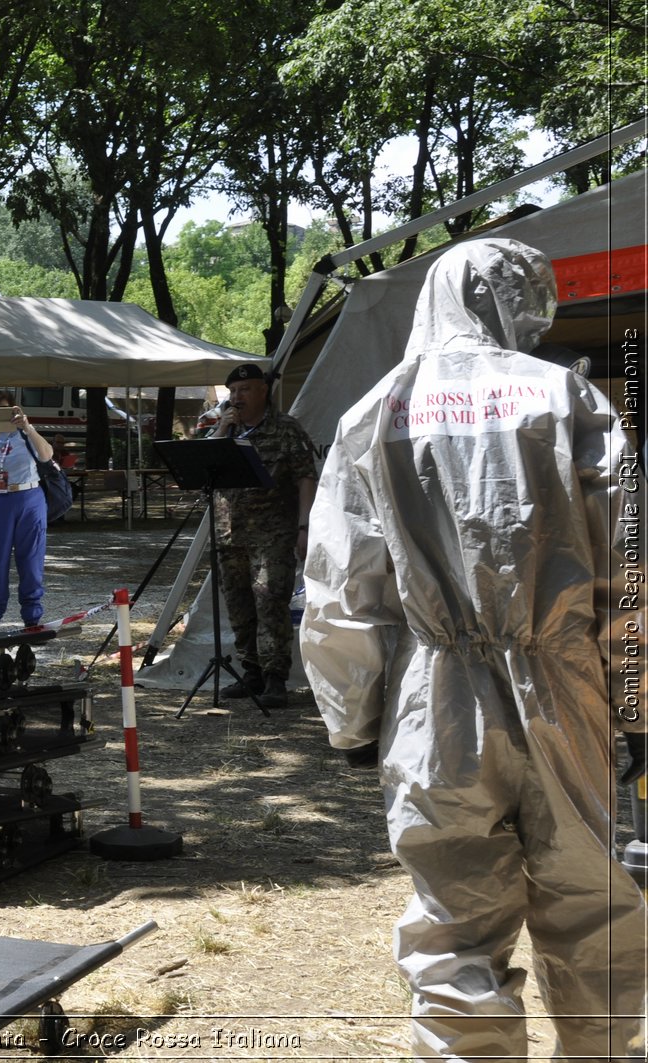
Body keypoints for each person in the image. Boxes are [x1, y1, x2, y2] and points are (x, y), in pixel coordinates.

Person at [300, 238, 647, 1061]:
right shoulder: (567, 399)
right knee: (591, 901)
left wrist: (351, 716)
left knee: (453, 916)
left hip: (435, 698)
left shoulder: (377, 409)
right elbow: (629, 567)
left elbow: (341, 584)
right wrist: (638, 702)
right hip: (570, 689)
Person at [209, 363, 316, 708]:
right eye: (233, 392)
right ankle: (250, 672)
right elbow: (205, 470)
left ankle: (275, 679)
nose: (237, 398)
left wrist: (304, 527)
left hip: (274, 533)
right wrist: (221, 432)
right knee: (239, 606)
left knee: (270, 601)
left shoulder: (286, 430)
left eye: (245, 390)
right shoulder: (226, 430)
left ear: (263, 391)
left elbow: (305, 479)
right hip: (230, 533)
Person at [0, 389, 52, 631]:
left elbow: (47, 456)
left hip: (29, 497)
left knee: (31, 559)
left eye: (7, 411)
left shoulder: (25, 436)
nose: (2, 418)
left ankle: (32, 616)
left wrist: (27, 427)